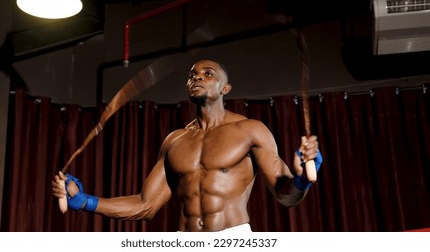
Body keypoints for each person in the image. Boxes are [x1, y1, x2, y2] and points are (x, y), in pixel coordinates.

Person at [52, 58, 322, 232]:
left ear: (225, 89)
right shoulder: (174, 141)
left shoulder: (250, 130)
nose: (197, 78)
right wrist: (85, 201)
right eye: (192, 75)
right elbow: (146, 205)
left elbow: (285, 196)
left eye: (208, 73)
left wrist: (300, 179)